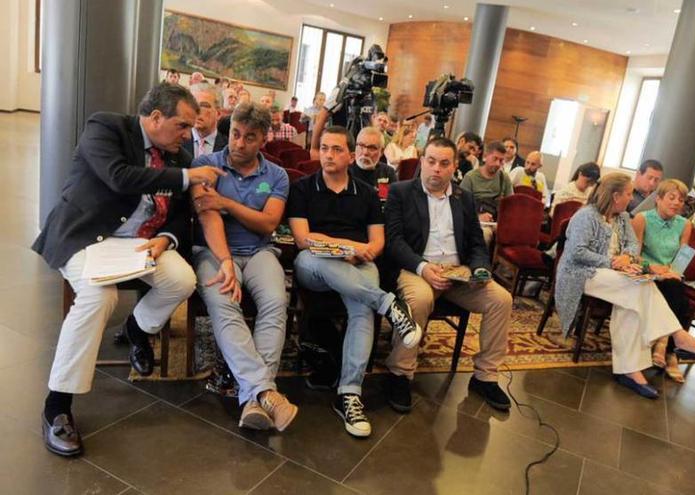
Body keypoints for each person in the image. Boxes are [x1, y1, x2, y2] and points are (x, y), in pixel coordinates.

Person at [32, 83, 227, 456]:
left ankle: (136, 329)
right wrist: (189, 177)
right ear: (155, 118)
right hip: (87, 235)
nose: (188, 135)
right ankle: (57, 407)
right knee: (97, 296)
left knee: (183, 279)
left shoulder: (178, 154)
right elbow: (120, 176)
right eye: (182, 125)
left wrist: (167, 238)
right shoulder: (105, 128)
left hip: (142, 241)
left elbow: (184, 210)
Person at [287, 126, 421, 438]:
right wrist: (346, 247)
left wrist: (360, 252)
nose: (328, 155)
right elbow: (305, 239)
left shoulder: (368, 194)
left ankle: (349, 394)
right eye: (323, 148)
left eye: (336, 149)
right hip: (314, 265)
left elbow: (377, 242)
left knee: (361, 308)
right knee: (321, 259)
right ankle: (390, 305)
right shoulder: (303, 188)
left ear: (350, 156)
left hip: (359, 265)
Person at [554, 173, 695, 399]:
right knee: (640, 286)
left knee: (632, 301)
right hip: (582, 273)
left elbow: (633, 245)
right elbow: (577, 253)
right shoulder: (586, 216)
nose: (632, 198)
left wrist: (627, 260)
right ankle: (678, 336)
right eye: (629, 193)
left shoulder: (622, 218)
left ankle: (629, 371)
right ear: (615, 196)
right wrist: (613, 261)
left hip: (613, 274)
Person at [384, 137, 513, 413]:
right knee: (417, 301)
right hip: (417, 268)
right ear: (422, 161)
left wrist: (479, 269)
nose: (436, 169)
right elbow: (394, 241)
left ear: (455, 166)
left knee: (501, 299)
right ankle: (400, 374)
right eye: (431, 162)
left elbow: (477, 242)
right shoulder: (401, 192)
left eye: (444, 163)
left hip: (458, 273)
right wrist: (423, 268)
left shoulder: (463, 197)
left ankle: (485, 376)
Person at [190, 102, 298, 431]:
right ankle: (265, 392)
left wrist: (225, 202)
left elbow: (268, 224)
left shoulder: (276, 175)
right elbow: (208, 218)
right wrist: (225, 262)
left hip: (260, 251)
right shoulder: (206, 164)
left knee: (277, 302)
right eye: (235, 134)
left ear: (263, 139)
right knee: (224, 302)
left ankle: (253, 398)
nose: (239, 143)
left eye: (249, 138)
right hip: (214, 250)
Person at [631, 179, 694, 383]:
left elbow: (683, 255)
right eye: (671, 197)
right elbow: (633, 255)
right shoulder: (642, 219)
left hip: (671, 275)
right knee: (675, 295)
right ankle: (670, 351)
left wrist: (673, 272)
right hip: (647, 272)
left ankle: (664, 343)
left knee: (676, 292)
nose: (676, 203)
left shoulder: (685, 224)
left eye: (681, 199)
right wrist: (654, 269)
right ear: (658, 199)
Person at [460, 140, 513, 246]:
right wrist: (478, 216)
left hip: (496, 221)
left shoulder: (504, 178)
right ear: (485, 156)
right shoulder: (470, 177)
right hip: (475, 221)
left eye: (501, 160)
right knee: (484, 234)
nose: (498, 164)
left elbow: (511, 206)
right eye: (495, 159)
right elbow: (460, 206)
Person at [350, 126, 398, 198]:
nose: (365, 152)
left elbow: (394, 202)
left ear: (381, 152)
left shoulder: (387, 172)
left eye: (372, 148)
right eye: (361, 146)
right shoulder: (345, 171)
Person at [184, 84, 227, 159]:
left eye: (204, 106)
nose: (196, 110)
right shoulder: (177, 141)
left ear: (218, 114)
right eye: (193, 105)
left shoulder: (227, 148)